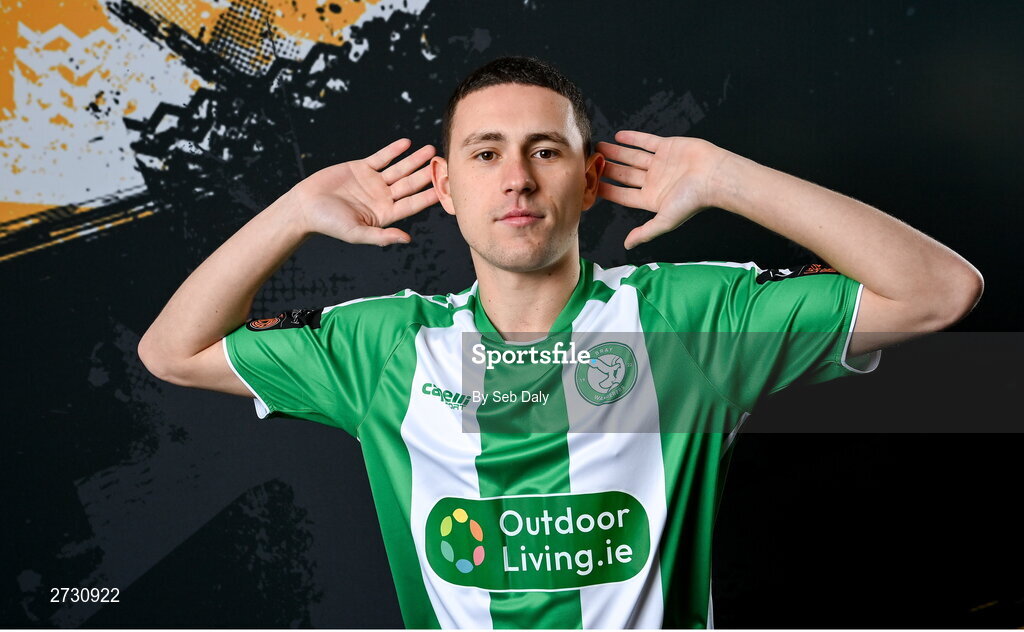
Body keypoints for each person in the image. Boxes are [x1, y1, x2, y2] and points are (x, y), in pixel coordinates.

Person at [138, 57, 982, 628]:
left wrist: (729, 179)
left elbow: (939, 294)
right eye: (485, 153)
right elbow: (172, 352)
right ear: (445, 185)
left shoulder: (685, 320)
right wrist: (294, 211)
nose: (516, 178)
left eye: (545, 150)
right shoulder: (384, 345)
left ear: (588, 179)